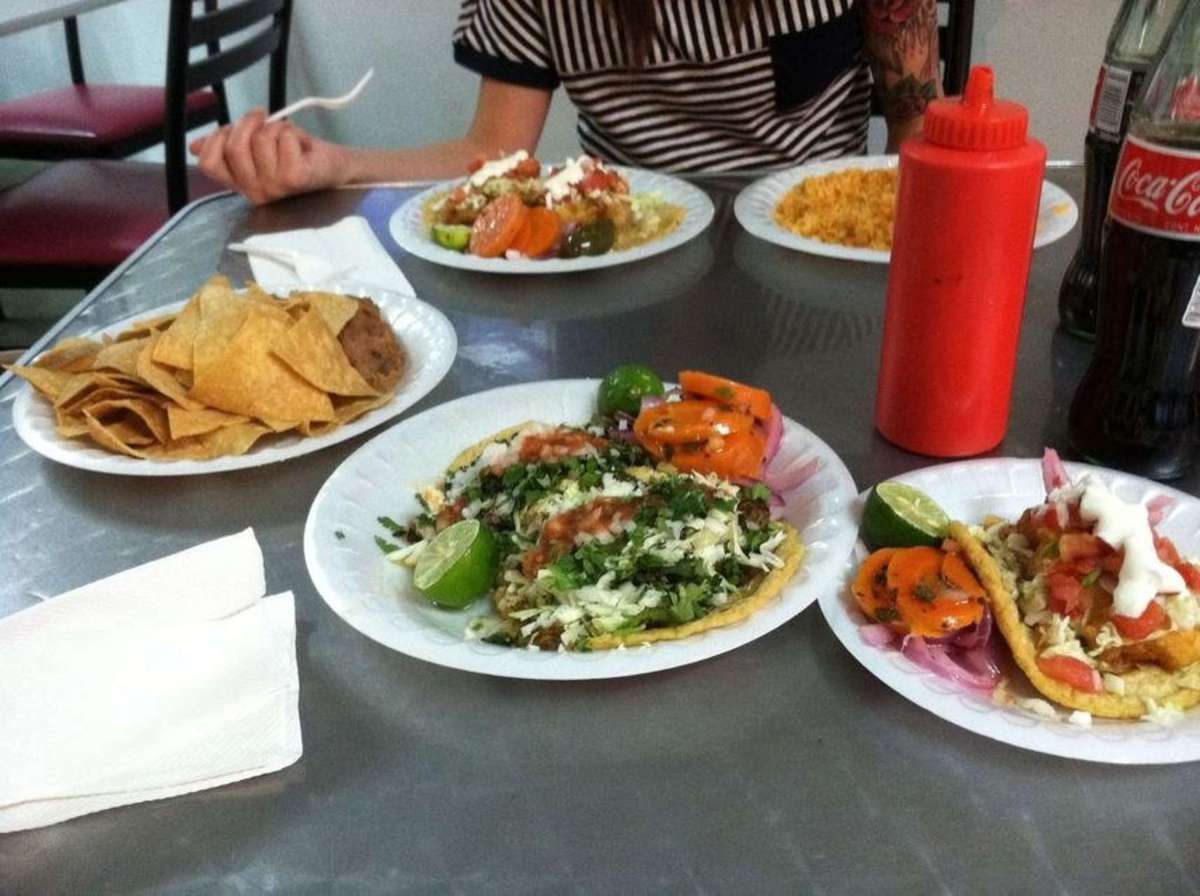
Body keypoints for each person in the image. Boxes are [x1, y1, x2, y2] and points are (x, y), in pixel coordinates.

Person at [191, 0, 941, 205]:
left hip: (818, 272)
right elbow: (490, 157)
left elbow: (919, 130)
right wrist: (334, 163)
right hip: (630, 264)